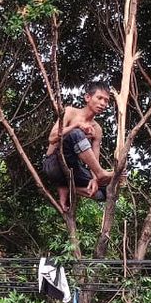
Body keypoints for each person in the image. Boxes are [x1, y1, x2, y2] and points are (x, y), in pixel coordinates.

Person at [42, 82, 114, 211]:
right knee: (76, 133)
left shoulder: (97, 129)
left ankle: (67, 187)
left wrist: (94, 179)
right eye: (99, 98)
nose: (103, 103)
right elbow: (52, 138)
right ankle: (99, 173)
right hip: (53, 164)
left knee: (106, 191)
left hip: (72, 168)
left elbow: (95, 156)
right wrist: (77, 125)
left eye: (106, 100)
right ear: (87, 97)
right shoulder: (70, 112)